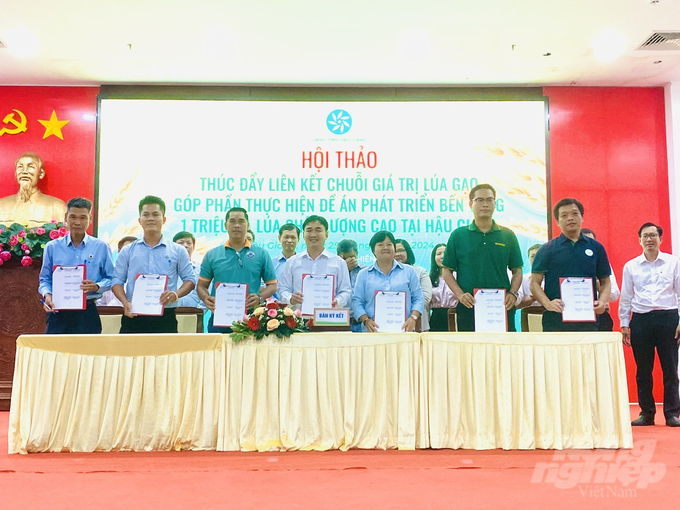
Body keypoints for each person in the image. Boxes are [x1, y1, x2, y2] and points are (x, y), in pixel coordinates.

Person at [619, 222, 680, 427]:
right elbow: (626, 297)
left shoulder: (673, 263)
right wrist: (624, 324)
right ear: (639, 240)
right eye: (645, 236)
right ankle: (647, 413)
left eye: (653, 235)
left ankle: (672, 413)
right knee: (643, 370)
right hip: (642, 320)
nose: (649, 239)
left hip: (669, 319)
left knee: (670, 369)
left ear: (661, 239)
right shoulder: (631, 266)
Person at [441, 183, 523, 331]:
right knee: (470, 351)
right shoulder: (458, 235)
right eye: (480, 200)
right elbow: (446, 270)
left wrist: (513, 293)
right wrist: (460, 295)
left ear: (495, 204)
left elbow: (517, 270)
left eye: (489, 200)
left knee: (504, 350)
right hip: (469, 306)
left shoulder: (508, 235)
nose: (485, 204)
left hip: (501, 305)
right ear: (471, 204)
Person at [111, 195, 196, 333]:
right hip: (134, 315)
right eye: (146, 215)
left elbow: (190, 280)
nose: (150, 218)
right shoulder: (128, 251)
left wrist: (176, 294)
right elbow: (116, 281)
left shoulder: (178, 250)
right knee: (130, 354)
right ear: (140, 220)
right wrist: (125, 302)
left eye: (155, 214)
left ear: (164, 219)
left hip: (165, 316)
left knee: (165, 355)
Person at [530, 198, 611, 332]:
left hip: (587, 319)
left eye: (575, 213)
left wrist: (602, 302)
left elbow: (606, 282)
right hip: (555, 321)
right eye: (564, 215)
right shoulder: (547, 249)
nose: (570, 218)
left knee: (587, 353)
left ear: (582, 217)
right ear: (557, 221)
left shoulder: (596, 248)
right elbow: (534, 283)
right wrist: (547, 303)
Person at [38, 197, 114, 334]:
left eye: (83, 217)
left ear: (90, 219)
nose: (77, 222)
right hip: (58, 312)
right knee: (56, 353)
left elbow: (112, 278)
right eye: (73, 217)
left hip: (88, 312)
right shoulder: (52, 247)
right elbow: (45, 279)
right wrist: (47, 295)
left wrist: (97, 286)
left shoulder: (101, 247)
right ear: (66, 217)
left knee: (88, 354)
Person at [197, 207, 277, 332]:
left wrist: (260, 298)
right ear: (225, 225)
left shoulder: (261, 254)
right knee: (219, 351)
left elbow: (272, 285)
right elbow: (201, 286)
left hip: (252, 319)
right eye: (232, 221)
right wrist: (206, 299)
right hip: (219, 318)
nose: (237, 225)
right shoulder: (212, 254)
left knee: (250, 352)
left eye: (241, 221)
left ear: (248, 225)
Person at [353, 230, 424, 332]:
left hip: (404, 331)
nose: (385, 248)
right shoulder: (364, 274)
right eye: (380, 245)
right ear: (373, 250)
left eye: (389, 244)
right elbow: (357, 301)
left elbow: (418, 298)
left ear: (394, 248)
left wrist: (413, 318)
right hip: (372, 332)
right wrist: (366, 320)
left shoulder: (409, 271)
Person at [278, 215, 352, 312]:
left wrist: (337, 301)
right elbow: (283, 290)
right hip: (298, 321)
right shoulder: (292, 262)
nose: (313, 234)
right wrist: (290, 299)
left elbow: (346, 291)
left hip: (328, 319)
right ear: (304, 234)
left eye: (318, 230)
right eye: (309, 230)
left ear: (326, 234)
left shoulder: (339, 263)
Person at [0, 152, 67, 228]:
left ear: (41, 173)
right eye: (20, 167)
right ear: (15, 173)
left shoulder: (57, 207)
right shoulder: (1, 206)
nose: (24, 171)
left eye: (30, 166)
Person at [581, 228, 620, 331]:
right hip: (577, 316)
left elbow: (614, 295)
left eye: (592, 242)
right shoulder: (569, 265)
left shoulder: (603, 265)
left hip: (600, 315)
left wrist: (599, 286)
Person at [395, 238, 432, 331]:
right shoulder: (386, 273)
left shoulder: (420, 271)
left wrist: (412, 313)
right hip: (392, 319)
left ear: (408, 252)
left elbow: (426, 297)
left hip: (418, 321)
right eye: (394, 251)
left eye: (401, 250)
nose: (397, 254)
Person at [337, 238, 367, 332]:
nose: (349, 260)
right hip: (339, 322)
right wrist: (344, 269)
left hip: (361, 322)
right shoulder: (334, 271)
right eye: (344, 258)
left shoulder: (365, 271)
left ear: (356, 254)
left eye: (352, 257)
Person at [97, 235, 136, 306]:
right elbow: (100, 305)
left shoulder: (142, 277)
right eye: (126, 250)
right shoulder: (108, 277)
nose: (130, 254)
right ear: (119, 251)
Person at [428, 243, 459, 332]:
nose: (442, 256)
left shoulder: (458, 277)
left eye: (445, 253)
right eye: (438, 254)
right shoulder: (429, 278)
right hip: (435, 317)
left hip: (454, 316)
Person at [173, 230, 206, 309]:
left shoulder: (201, 270)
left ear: (193, 247)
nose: (185, 245)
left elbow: (206, 293)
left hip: (195, 314)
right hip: (170, 314)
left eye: (189, 243)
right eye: (181, 243)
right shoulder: (167, 269)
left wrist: (199, 312)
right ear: (174, 247)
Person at [271, 223, 300, 300]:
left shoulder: (303, 263)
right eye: (286, 237)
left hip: (298, 308)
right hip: (275, 308)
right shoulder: (271, 263)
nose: (289, 241)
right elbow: (265, 286)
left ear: (298, 239)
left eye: (293, 237)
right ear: (279, 238)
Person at [517, 244, 542, 309]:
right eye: (532, 256)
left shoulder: (553, 278)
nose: (536, 259)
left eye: (539, 256)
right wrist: (533, 297)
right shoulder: (522, 279)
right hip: (528, 315)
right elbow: (516, 305)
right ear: (528, 258)